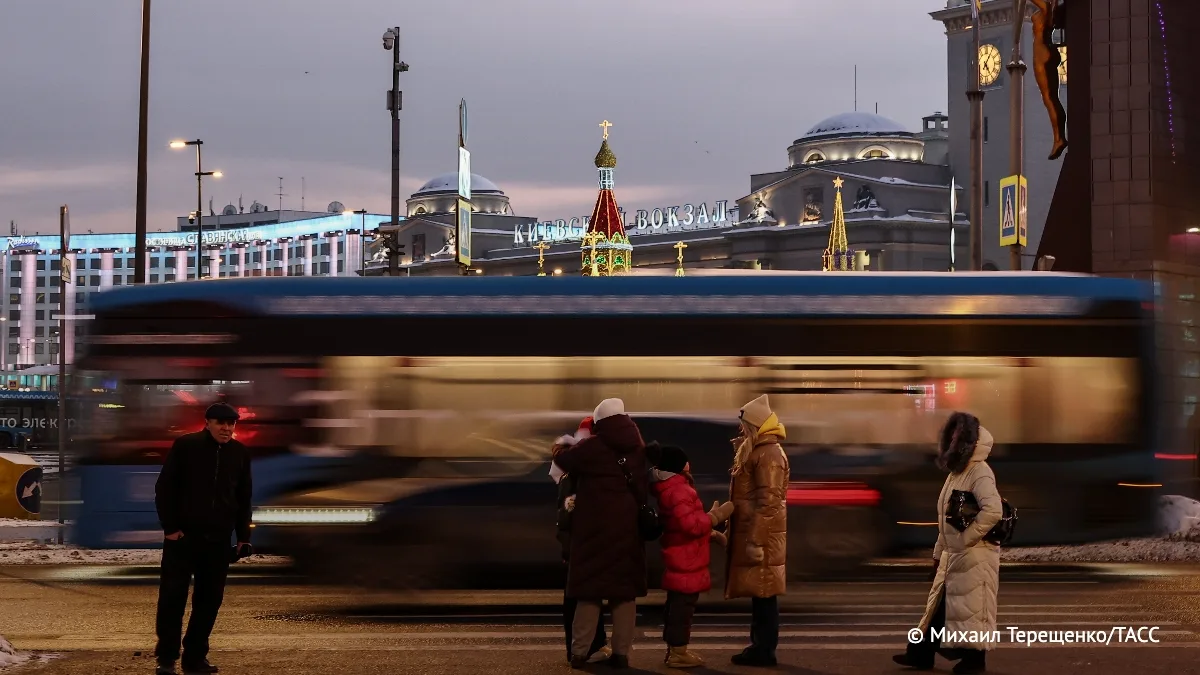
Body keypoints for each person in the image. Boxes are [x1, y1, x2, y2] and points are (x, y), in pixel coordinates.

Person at [893, 412, 1002, 675]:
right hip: (954, 554)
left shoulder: (979, 472)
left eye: (957, 436)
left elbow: (993, 511)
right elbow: (947, 519)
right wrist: (938, 553)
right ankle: (920, 653)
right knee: (939, 607)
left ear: (967, 441)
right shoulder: (956, 473)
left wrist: (966, 539)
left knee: (972, 609)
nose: (952, 440)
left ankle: (975, 661)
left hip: (974, 556)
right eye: (951, 435)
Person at [153, 402, 253, 675]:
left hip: (218, 541)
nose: (227, 428)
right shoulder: (186, 446)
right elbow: (165, 488)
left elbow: (243, 497)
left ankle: (195, 658)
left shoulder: (240, 453)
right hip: (183, 539)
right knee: (172, 599)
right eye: (221, 423)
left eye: (231, 424)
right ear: (207, 423)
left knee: (209, 602)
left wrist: (243, 536)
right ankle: (167, 659)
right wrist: (170, 528)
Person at [552, 398, 649, 670]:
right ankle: (621, 654)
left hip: (593, 532)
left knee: (589, 592)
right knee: (624, 595)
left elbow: (562, 460)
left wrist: (562, 445)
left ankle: (579, 653)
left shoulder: (592, 447)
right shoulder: (638, 447)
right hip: (627, 531)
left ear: (598, 422)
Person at [648, 443, 734, 668]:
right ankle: (678, 653)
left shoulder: (673, 487)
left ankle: (675, 650)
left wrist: (711, 530)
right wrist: (716, 517)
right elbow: (691, 526)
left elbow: (684, 523)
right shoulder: (679, 490)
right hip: (686, 557)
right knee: (682, 608)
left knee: (678, 605)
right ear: (679, 466)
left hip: (682, 553)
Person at [724, 394, 790, 668]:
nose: (741, 428)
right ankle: (759, 646)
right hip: (757, 532)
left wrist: (756, 539)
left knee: (764, 593)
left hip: (762, 536)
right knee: (760, 593)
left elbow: (769, 501)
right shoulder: (760, 450)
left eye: (745, 424)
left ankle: (764, 650)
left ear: (755, 424)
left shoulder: (768, 453)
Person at [551, 416, 611, 665]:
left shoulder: (574, 471)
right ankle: (585, 648)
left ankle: (586, 646)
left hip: (578, 544)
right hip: (580, 545)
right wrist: (570, 546)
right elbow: (568, 514)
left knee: (582, 594)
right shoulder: (577, 475)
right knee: (582, 596)